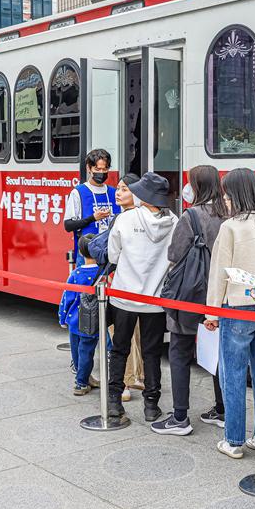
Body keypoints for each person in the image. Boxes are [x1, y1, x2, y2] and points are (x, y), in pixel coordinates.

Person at [206, 167, 255, 458]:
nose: (224, 200)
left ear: (235, 195)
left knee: (233, 374)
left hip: (236, 308)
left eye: (226, 194)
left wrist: (212, 312)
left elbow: (219, 274)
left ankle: (234, 440)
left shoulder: (231, 228)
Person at [153, 165, 228, 437]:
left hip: (190, 294)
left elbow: (174, 253)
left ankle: (180, 417)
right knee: (218, 353)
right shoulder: (228, 213)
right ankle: (222, 411)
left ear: (196, 186)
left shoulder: (191, 216)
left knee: (180, 351)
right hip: (218, 294)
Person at [105, 172, 178, 423]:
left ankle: (114, 401)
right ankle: (151, 405)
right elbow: (175, 260)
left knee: (119, 350)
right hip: (155, 301)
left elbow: (113, 256)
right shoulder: (174, 222)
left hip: (123, 296)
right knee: (152, 353)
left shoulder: (125, 219)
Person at [88, 173, 146, 403]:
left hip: (120, 282)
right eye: (118, 188)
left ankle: (124, 383)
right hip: (141, 284)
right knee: (136, 334)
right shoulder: (147, 217)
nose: (118, 193)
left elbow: (112, 254)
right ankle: (138, 376)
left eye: (124, 189)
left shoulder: (124, 219)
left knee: (120, 335)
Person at [58, 234, 102, 395]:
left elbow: (67, 298)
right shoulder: (102, 274)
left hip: (73, 320)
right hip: (91, 321)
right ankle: (81, 382)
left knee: (76, 351)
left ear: (81, 253)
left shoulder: (75, 274)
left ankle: (83, 378)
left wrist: (62, 318)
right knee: (86, 351)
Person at [64, 148, 118, 267]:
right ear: (89, 168)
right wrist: (93, 218)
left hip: (111, 251)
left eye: (105, 169)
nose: (101, 173)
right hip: (87, 254)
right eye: (97, 169)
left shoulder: (114, 193)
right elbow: (68, 225)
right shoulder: (78, 192)